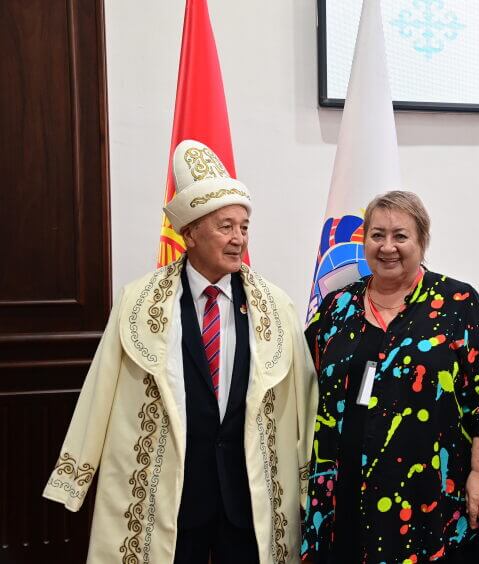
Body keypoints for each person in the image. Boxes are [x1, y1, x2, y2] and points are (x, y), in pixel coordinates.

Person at [43, 139, 317, 564]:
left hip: (249, 499)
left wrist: (310, 486)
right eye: (226, 227)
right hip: (171, 498)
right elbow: (100, 388)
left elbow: (305, 399)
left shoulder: (275, 307)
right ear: (189, 233)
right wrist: (74, 475)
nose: (239, 239)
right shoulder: (139, 302)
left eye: (244, 227)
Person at [300, 191, 479, 563]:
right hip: (346, 489)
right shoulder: (337, 307)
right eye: (377, 235)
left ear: (422, 241)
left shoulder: (458, 304)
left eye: (400, 236)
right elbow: (305, 380)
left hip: (432, 493)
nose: (387, 247)